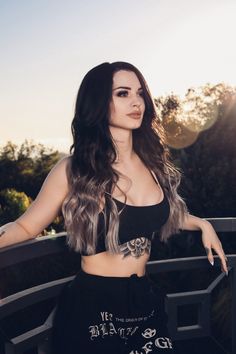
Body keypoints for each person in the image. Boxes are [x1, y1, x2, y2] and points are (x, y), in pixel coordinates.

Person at [0, 61, 228, 354]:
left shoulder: (153, 165)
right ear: (98, 103)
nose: (136, 101)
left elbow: (158, 213)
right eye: (122, 93)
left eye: (140, 93)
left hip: (144, 302)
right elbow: (26, 226)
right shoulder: (74, 170)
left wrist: (202, 224)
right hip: (92, 306)